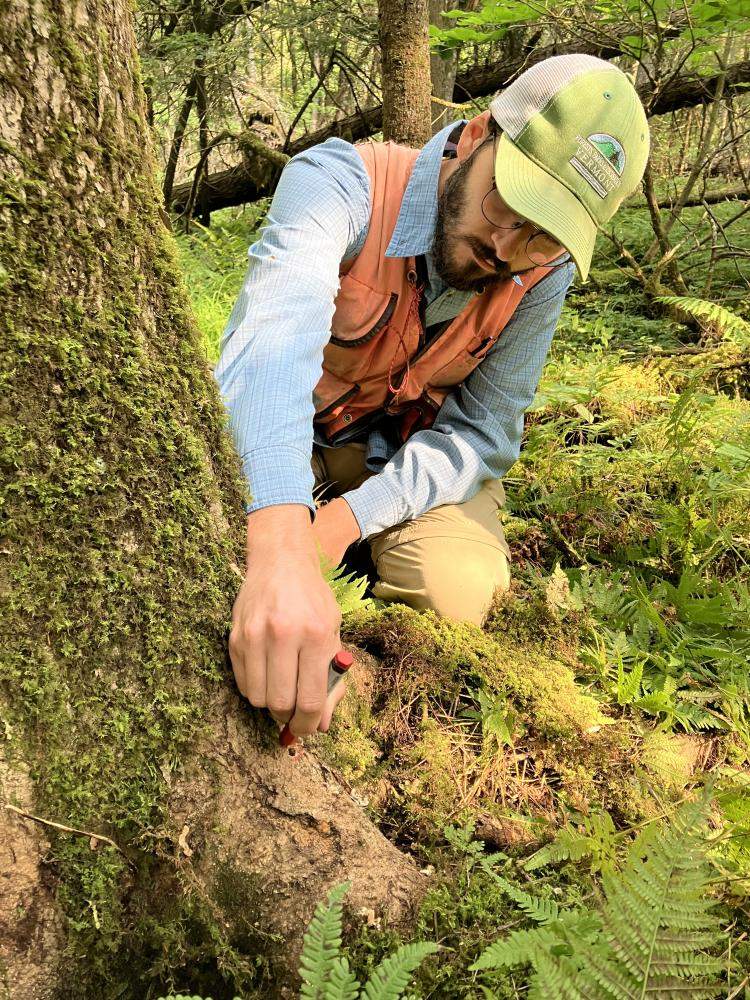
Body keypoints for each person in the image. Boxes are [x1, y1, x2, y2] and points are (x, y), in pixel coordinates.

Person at [215, 53, 650, 742]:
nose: (506, 248)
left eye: (543, 234)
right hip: (298, 436)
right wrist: (281, 545)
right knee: (215, 542)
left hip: (402, 460)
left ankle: (359, 623)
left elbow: (483, 432)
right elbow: (270, 352)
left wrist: (343, 523)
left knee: (460, 591)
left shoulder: (542, 277)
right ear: (476, 137)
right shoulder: (341, 184)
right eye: (507, 205)